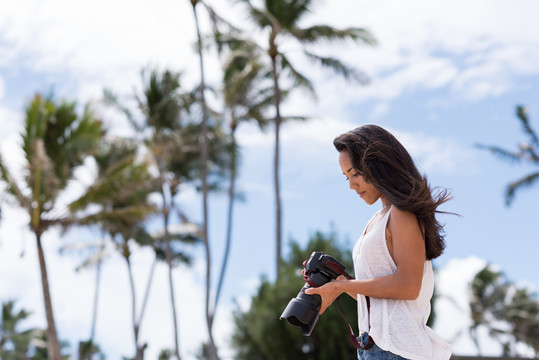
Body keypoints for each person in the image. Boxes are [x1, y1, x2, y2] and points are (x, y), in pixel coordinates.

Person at [305, 124, 453, 360]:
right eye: (346, 177)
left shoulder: (402, 214)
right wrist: (342, 284)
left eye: (355, 174)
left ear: (377, 165)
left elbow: (408, 286)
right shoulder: (378, 219)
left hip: (397, 352)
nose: (351, 185)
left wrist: (341, 287)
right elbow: (385, 303)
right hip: (374, 348)